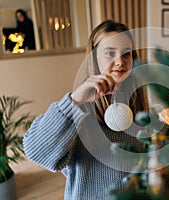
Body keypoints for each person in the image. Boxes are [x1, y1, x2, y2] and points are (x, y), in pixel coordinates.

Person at [23, 20, 149, 199]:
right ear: (94, 57)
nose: (120, 61)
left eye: (126, 54)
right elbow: (36, 151)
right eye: (110, 53)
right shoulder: (78, 111)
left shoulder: (139, 105)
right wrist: (75, 101)